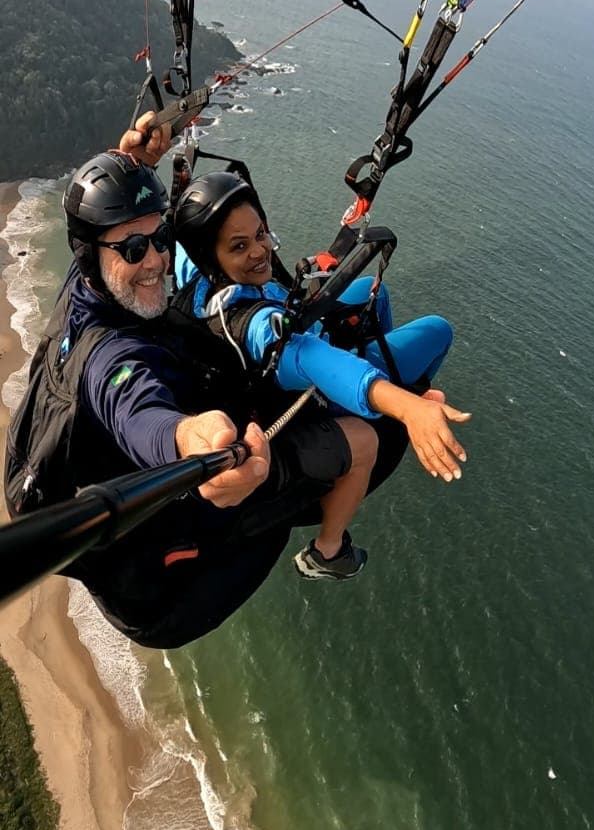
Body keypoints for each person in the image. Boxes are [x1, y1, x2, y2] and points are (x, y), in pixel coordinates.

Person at [4, 145, 468, 649]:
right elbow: (136, 410)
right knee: (372, 426)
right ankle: (328, 551)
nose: (155, 258)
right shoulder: (112, 357)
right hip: (166, 585)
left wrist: (131, 157)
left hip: (230, 372)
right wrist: (187, 438)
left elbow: (129, 229)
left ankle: (400, 390)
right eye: (134, 250)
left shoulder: (98, 277)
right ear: (90, 256)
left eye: (161, 238)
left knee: (373, 301)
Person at [168, 167, 461, 578]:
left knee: (376, 297)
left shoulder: (197, 273)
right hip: (312, 390)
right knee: (437, 331)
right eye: (239, 247)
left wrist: (145, 158)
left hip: (299, 354)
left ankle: (393, 383)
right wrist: (408, 407)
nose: (259, 251)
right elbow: (311, 359)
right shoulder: (255, 328)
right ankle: (329, 551)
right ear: (213, 257)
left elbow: (180, 237)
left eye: (259, 235)